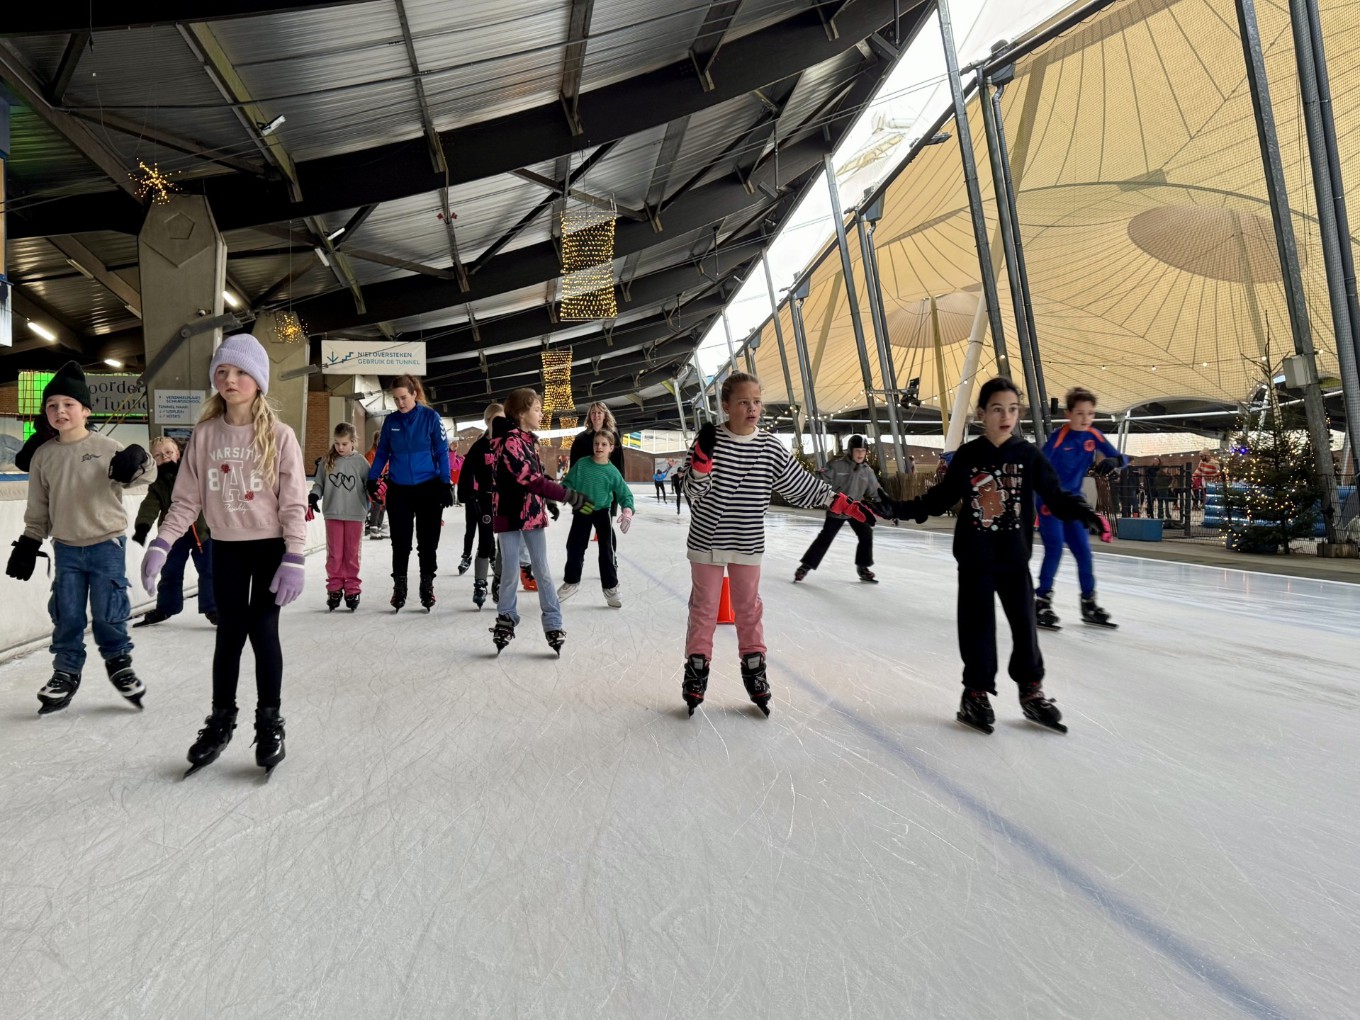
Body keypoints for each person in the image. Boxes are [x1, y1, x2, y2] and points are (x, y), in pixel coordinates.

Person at [892, 378, 1110, 735]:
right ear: (982, 414)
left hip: (1013, 559)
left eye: (1012, 409)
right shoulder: (968, 456)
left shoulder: (1028, 456)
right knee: (977, 629)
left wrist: (1085, 512)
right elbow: (936, 501)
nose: (1006, 415)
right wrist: (894, 508)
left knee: (1026, 628)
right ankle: (975, 694)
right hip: (975, 560)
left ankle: (1030, 692)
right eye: (997, 409)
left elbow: (1054, 496)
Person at [141, 334, 306, 776]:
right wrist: (163, 542)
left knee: (263, 628)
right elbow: (186, 500)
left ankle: (269, 721)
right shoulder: (205, 435)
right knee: (229, 633)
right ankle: (221, 720)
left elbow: (293, 502)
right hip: (226, 547)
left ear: (258, 381)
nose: (229, 379)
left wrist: (295, 555)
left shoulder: (280, 435)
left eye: (240, 372)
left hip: (270, 548)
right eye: (222, 372)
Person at [678, 372, 877, 718]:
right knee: (704, 609)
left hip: (748, 541)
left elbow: (799, 485)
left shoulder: (769, 447)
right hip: (708, 540)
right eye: (743, 402)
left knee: (749, 609)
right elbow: (691, 492)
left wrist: (838, 502)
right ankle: (697, 670)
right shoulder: (710, 439)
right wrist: (699, 466)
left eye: (756, 401)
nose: (752, 408)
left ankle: (754, 668)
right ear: (726, 406)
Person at [5, 361, 154, 715]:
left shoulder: (106, 446)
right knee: (67, 613)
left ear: (85, 411)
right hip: (68, 548)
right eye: (52, 406)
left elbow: (143, 478)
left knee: (108, 611)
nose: (60, 411)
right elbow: (38, 507)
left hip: (107, 544)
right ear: (45, 414)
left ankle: (119, 662)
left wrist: (141, 458)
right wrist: (29, 542)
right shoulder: (43, 456)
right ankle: (65, 672)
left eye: (68, 405)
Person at [488, 388, 589, 655]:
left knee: (542, 570)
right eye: (536, 409)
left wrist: (552, 501)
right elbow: (528, 479)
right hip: (509, 514)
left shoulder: (528, 440)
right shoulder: (510, 441)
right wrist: (567, 495)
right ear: (521, 412)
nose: (541, 413)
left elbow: (538, 475)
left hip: (531, 513)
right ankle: (506, 618)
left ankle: (553, 623)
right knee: (510, 571)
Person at [1033, 387, 1127, 630]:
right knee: (1054, 550)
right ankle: (1041, 601)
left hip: (1074, 503)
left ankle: (1089, 604)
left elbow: (1123, 458)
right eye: (1080, 413)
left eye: (1091, 414)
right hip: (1049, 500)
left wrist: (1115, 461)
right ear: (1069, 413)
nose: (1086, 419)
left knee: (1084, 552)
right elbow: (1038, 470)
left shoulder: (1093, 436)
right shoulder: (1058, 439)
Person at [366, 374, 451, 611]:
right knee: (400, 542)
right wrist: (372, 479)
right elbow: (382, 452)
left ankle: (427, 585)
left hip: (428, 487)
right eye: (396, 399)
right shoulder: (391, 421)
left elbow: (442, 451)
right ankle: (399, 587)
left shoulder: (430, 418)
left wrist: (445, 483)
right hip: (399, 489)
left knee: (428, 542)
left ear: (414, 394)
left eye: (404, 397)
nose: (400, 403)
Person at [132, 435, 217, 628]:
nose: (165, 458)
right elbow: (150, 506)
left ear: (178, 453)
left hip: (202, 533)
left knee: (209, 571)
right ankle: (165, 608)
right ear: (152, 460)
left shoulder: (195, 474)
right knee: (170, 571)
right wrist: (142, 527)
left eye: (169, 453)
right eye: (158, 455)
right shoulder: (157, 483)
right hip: (173, 536)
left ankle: (214, 609)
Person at [794, 434, 888, 584]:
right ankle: (805, 567)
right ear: (850, 451)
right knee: (826, 537)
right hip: (837, 508)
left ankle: (862, 568)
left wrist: (890, 510)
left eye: (863, 451)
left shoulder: (867, 471)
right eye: (857, 450)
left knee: (866, 534)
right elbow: (819, 479)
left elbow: (877, 492)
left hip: (854, 510)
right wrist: (802, 482)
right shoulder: (837, 466)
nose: (860, 454)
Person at [558, 430, 635, 607]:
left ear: (611, 448)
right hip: (583, 508)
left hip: (602, 510)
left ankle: (611, 587)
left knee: (606, 550)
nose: (599, 447)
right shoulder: (582, 465)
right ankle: (571, 582)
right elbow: (567, 484)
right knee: (575, 546)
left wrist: (627, 512)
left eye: (603, 444)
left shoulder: (612, 472)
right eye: (596, 443)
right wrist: (563, 494)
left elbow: (625, 495)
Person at [310, 422, 370, 612]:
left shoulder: (361, 462)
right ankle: (334, 587)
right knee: (335, 554)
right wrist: (313, 496)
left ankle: (352, 588)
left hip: (355, 514)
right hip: (333, 513)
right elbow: (318, 484)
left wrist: (376, 491)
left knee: (351, 554)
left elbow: (369, 484)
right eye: (337, 443)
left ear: (353, 442)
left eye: (344, 444)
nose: (340, 447)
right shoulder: (327, 461)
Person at [457, 402, 502, 609]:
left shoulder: (509, 443)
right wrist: (469, 498)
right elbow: (466, 473)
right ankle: (480, 583)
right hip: (484, 499)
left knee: (505, 544)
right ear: (487, 422)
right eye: (495, 420)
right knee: (485, 542)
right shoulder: (479, 446)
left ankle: (499, 580)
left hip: (506, 501)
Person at [568, 402, 626, 472]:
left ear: (605, 415)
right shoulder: (580, 439)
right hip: (586, 477)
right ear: (589, 416)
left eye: (599, 412)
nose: (596, 415)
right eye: (593, 412)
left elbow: (619, 462)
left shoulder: (613, 437)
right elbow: (574, 464)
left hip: (607, 476)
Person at [363, 435, 387, 539]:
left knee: (383, 506)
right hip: (375, 484)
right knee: (376, 505)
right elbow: (370, 469)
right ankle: (373, 527)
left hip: (383, 484)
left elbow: (388, 466)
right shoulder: (371, 454)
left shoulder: (384, 454)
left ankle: (378, 526)